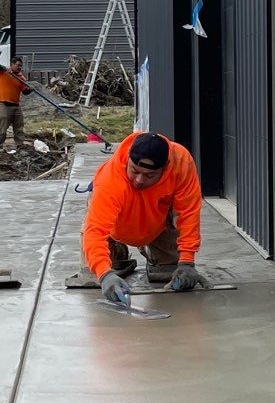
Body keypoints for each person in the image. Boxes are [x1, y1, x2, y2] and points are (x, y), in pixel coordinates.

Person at [81, 130, 204, 305]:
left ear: (166, 167)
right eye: (134, 171)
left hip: (157, 222)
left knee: (168, 275)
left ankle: (157, 252)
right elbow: (95, 229)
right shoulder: (110, 180)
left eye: (149, 175)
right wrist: (104, 273)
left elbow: (189, 212)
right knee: (97, 276)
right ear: (128, 160)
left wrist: (187, 261)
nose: (139, 180)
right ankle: (117, 250)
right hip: (116, 224)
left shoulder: (180, 162)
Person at [0, 56, 30, 154]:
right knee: (3, 124)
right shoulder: (3, 73)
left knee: (19, 127)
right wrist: (3, 67)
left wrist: (30, 89)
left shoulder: (21, 78)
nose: (19, 67)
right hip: (3, 103)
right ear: (11, 65)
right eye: (17, 65)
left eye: (21, 66)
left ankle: (20, 146)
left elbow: (24, 91)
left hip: (15, 105)